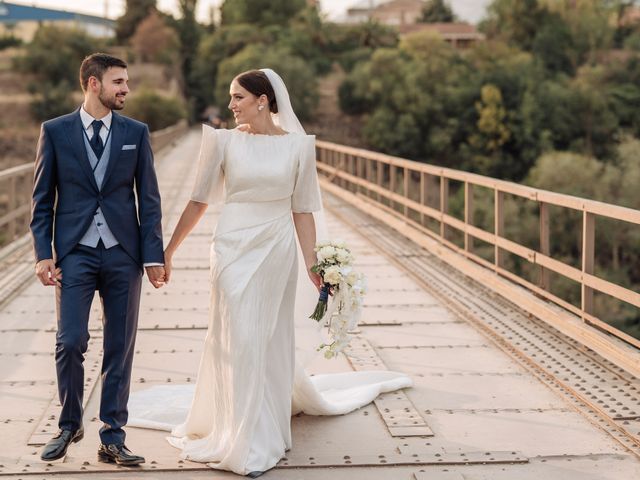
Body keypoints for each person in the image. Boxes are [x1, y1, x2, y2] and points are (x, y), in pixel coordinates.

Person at [127, 69, 411, 477]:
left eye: (238, 97)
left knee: (264, 336)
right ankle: (232, 428)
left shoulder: (298, 146)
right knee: (238, 332)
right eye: (230, 97)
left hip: (276, 246)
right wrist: (167, 251)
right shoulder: (222, 141)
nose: (231, 105)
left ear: (263, 100)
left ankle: (259, 434)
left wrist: (316, 265)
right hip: (229, 247)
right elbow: (198, 201)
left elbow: (303, 209)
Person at [30, 53, 165, 466]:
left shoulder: (136, 132)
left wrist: (153, 256)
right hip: (75, 254)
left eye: (126, 82)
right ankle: (70, 424)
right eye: (119, 82)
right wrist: (42, 255)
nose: (126, 89)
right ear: (94, 84)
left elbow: (150, 200)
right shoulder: (55, 132)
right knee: (70, 341)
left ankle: (113, 435)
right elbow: (41, 201)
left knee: (119, 347)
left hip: (124, 255)